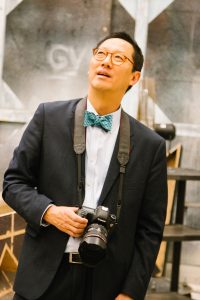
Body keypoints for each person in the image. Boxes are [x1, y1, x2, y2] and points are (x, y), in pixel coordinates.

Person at [2, 31, 167, 300]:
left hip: (107, 285)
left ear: (134, 77)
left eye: (118, 58)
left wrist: (131, 292)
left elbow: (150, 230)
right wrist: (49, 211)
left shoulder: (151, 146)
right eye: (100, 54)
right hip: (42, 281)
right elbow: (13, 183)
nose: (106, 62)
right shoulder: (48, 117)